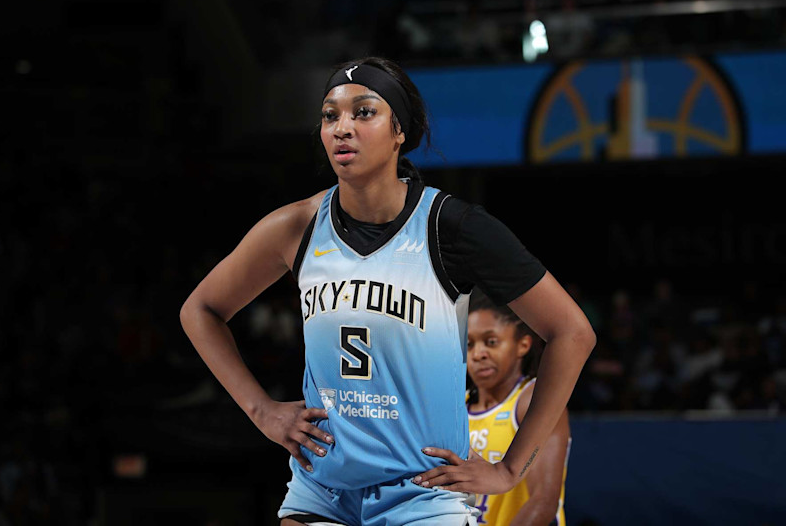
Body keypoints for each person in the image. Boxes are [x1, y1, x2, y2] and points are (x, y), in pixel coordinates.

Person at [179, 56, 595, 525]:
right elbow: (201, 309)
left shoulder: (451, 227)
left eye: (363, 112)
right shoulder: (295, 226)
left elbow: (572, 333)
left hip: (421, 493)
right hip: (323, 487)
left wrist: (512, 468)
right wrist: (261, 411)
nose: (341, 127)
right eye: (330, 114)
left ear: (400, 131)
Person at [437, 288, 571, 525]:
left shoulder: (530, 399)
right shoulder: (456, 407)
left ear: (523, 344)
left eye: (491, 342)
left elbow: (543, 502)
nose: (478, 354)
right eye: (469, 345)